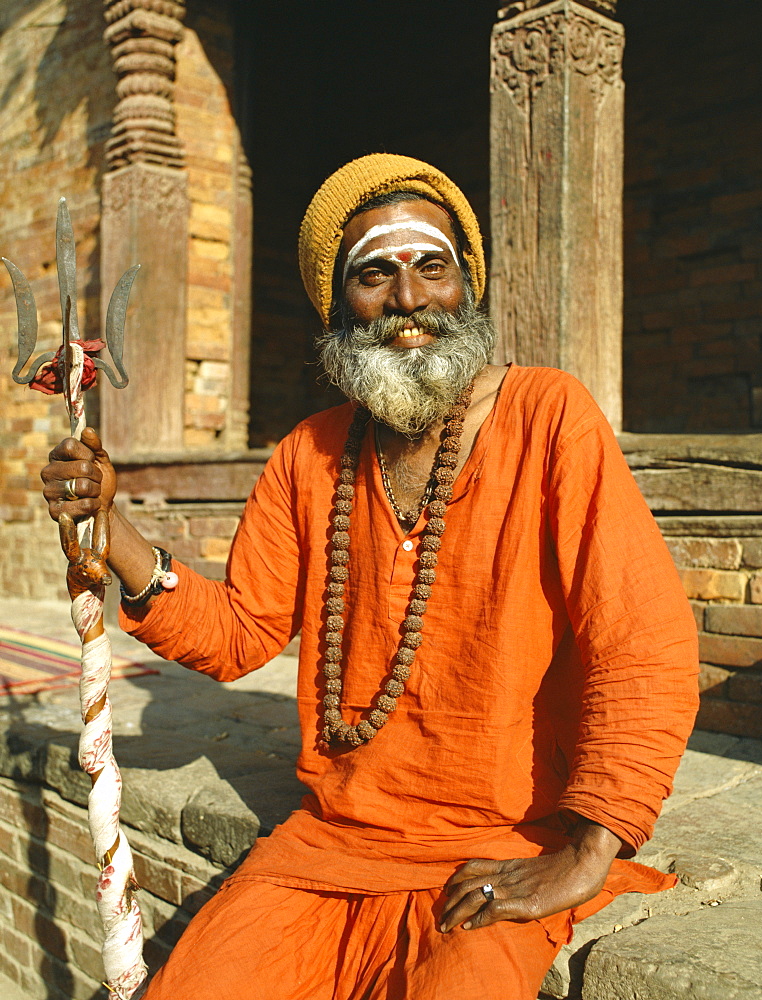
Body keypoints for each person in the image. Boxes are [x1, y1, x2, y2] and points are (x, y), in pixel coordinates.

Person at [42, 154, 700, 1000]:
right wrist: (111, 529)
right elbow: (241, 633)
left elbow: (642, 641)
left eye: (434, 268)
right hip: (331, 841)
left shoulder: (549, 417)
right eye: (375, 275)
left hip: (508, 841)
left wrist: (587, 853)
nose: (410, 300)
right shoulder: (308, 456)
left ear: (468, 285)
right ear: (337, 306)